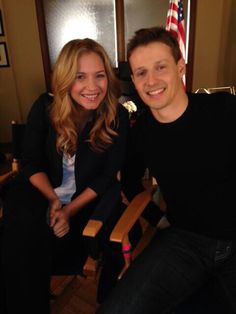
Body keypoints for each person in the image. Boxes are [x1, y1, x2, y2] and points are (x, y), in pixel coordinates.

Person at [97, 26, 236, 314]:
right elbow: (131, 182)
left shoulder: (224, 109)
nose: (152, 81)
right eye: (141, 72)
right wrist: (158, 221)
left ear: (180, 67)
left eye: (160, 67)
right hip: (185, 242)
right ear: (133, 80)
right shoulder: (141, 132)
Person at [1, 38, 129, 314]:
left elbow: (106, 176)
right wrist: (53, 201)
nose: (92, 87)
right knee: (23, 232)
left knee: (33, 248)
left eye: (99, 76)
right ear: (65, 79)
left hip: (83, 200)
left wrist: (68, 210)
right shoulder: (45, 107)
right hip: (39, 190)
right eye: (80, 77)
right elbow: (30, 162)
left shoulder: (116, 115)